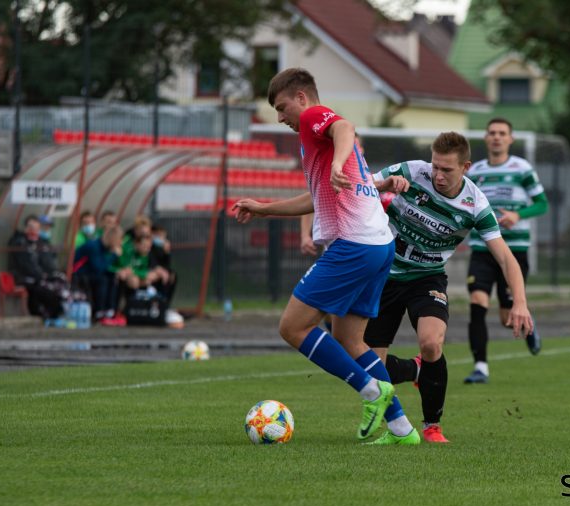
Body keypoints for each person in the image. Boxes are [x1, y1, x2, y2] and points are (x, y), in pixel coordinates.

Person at [232, 67, 419, 445]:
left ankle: (371, 392)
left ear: (302, 98)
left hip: (354, 245)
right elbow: (315, 198)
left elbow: (345, 127)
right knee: (350, 339)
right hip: (378, 245)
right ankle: (403, 430)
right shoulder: (316, 141)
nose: (280, 117)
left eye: (282, 107)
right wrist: (265, 208)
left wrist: (336, 163)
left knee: (292, 327)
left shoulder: (316, 118)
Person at [364, 132, 534, 443]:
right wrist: (383, 186)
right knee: (368, 365)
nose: (438, 176)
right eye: (435, 167)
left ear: (466, 167)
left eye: (447, 170)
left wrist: (520, 302)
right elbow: (360, 187)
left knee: (431, 344)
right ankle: (413, 375)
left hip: (426, 278)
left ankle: (432, 427)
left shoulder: (475, 205)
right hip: (384, 272)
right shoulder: (412, 171)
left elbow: (507, 259)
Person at [464, 118, 549, 384]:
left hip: (514, 249)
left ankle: (528, 324)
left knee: (507, 317)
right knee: (477, 301)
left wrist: (518, 214)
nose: (497, 137)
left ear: (510, 139)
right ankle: (480, 367)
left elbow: (542, 204)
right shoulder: (475, 171)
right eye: (492, 133)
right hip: (482, 248)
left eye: (502, 133)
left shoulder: (522, 168)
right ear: (486, 138)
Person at [7, 215, 67, 320]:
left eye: (37, 228)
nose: (34, 231)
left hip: (39, 277)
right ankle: (46, 315)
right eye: (31, 228)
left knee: (60, 286)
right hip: (23, 278)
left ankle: (57, 315)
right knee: (42, 289)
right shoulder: (19, 242)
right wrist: (42, 276)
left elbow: (48, 263)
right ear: (26, 228)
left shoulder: (42, 243)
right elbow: (26, 266)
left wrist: (51, 275)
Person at [74, 225, 124, 322]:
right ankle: (99, 310)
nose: (119, 244)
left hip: (91, 272)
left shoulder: (106, 248)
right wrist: (114, 255)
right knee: (103, 279)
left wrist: (120, 271)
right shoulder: (94, 246)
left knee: (113, 277)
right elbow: (98, 267)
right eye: (118, 240)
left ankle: (111, 310)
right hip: (79, 273)